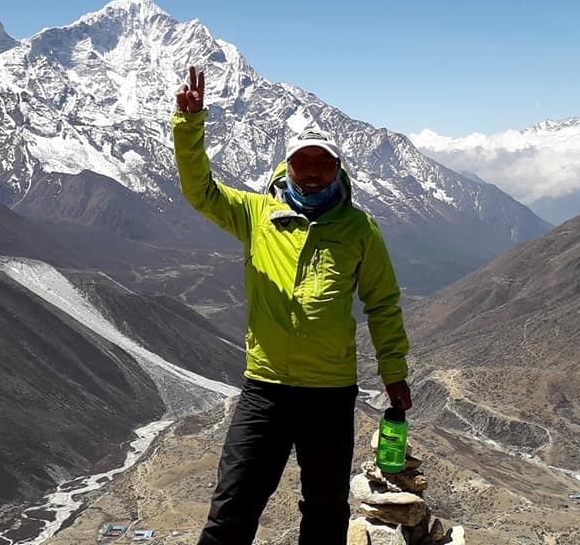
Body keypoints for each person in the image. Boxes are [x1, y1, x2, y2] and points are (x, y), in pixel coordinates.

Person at [171, 65, 413, 545]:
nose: (314, 170)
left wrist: (394, 371)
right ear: (289, 165)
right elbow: (201, 192)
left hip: (331, 391)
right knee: (233, 505)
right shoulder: (257, 214)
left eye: (323, 161)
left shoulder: (360, 229)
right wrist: (189, 125)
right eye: (304, 160)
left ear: (338, 166)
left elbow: (382, 303)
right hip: (265, 389)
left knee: (324, 510)